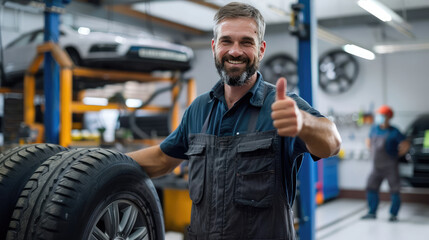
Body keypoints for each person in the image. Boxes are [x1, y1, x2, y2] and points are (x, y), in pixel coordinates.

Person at [127, 2, 341, 239]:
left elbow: (332, 142)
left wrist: (304, 123)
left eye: (246, 42)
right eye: (226, 41)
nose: (235, 51)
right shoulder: (199, 108)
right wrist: (100, 163)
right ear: (214, 46)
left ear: (261, 50)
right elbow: (161, 159)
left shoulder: (282, 106)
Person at [361, 105, 410, 222]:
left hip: (390, 166)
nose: (379, 117)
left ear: (388, 117)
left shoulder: (394, 131)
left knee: (395, 189)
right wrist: (370, 147)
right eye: (378, 114)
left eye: (381, 115)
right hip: (376, 166)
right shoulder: (374, 129)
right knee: (371, 187)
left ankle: (393, 214)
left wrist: (399, 154)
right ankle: (372, 212)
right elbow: (368, 140)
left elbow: (406, 143)